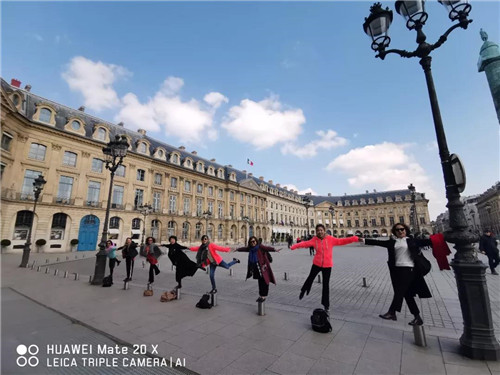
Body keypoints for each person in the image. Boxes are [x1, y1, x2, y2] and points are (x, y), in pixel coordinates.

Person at [359, 223, 433, 325]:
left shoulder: (412, 241)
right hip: (397, 270)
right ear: (395, 232)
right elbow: (378, 242)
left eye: (402, 229)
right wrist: (364, 240)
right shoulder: (393, 242)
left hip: (409, 269)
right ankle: (417, 317)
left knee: (399, 292)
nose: (400, 231)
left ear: (406, 230)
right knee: (407, 295)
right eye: (398, 230)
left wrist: (442, 237)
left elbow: (429, 241)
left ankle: (392, 312)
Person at [290, 224, 359, 314]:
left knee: (325, 286)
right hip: (317, 264)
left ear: (324, 230)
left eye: (321, 230)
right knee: (310, 278)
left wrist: (355, 238)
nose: (320, 232)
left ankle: (326, 305)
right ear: (316, 231)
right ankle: (303, 290)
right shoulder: (314, 240)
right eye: (318, 230)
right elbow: (304, 244)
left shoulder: (330, 239)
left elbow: (342, 241)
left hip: (327, 265)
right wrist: (293, 247)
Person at [235, 236, 279, 303]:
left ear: (256, 241)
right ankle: (261, 295)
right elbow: (244, 249)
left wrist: (274, 249)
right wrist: (237, 249)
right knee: (260, 282)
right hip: (256, 268)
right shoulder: (250, 248)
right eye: (251, 242)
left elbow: (267, 248)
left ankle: (264, 296)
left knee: (265, 281)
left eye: (254, 241)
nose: (253, 243)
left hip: (263, 267)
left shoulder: (260, 247)